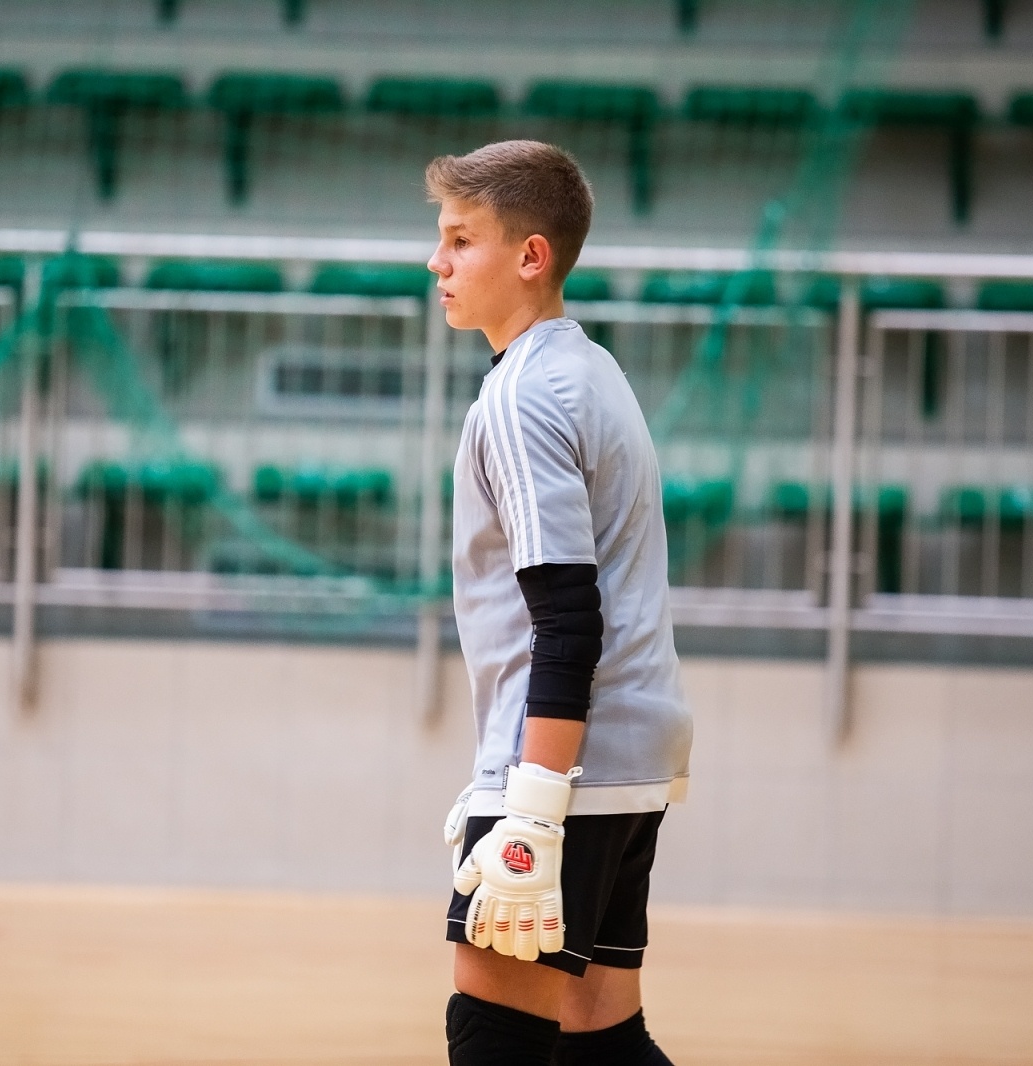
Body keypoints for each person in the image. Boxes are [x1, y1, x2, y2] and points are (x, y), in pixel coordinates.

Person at [426, 139, 693, 1066]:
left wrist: (534, 808)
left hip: (567, 770)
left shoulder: (521, 395)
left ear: (530, 256)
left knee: (494, 1021)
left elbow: (567, 619)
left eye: (462, 240)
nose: (438, 262)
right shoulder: (594, 370)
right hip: (631, 758)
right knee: (599, 1034)